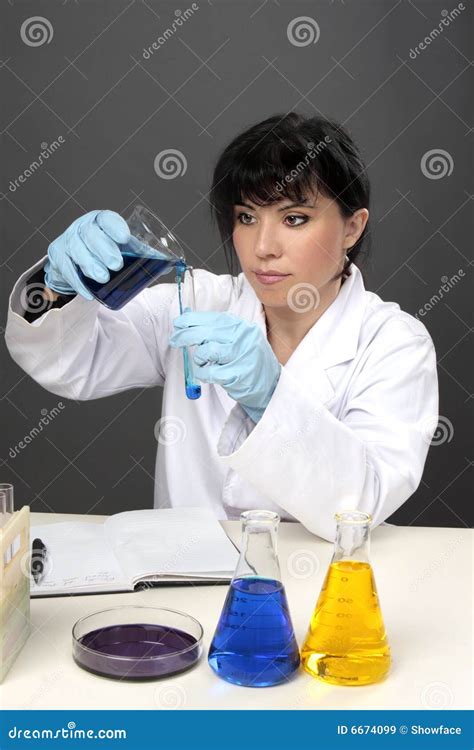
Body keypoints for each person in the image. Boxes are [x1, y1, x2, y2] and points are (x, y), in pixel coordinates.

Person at [4, 112, 439, 541]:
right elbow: (69, 365)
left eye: (294, 218)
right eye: (247, 217)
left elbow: (360, 506)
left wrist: (270, 399)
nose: (263, 248)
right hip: (177, 585)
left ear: (351, 228)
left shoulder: (395, 344)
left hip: (317, 590)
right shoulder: (195, 301)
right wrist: (56, 288)